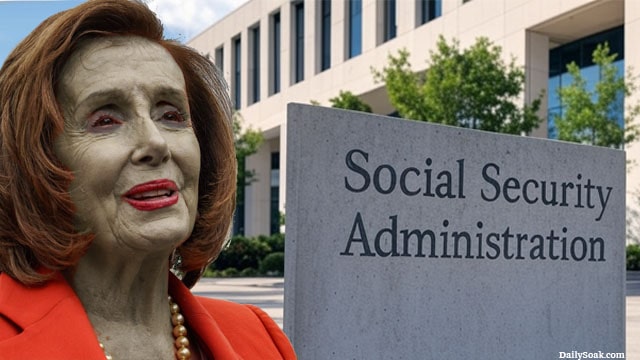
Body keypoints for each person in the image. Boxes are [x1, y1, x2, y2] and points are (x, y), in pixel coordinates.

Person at [0, 1, 296, 359]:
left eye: (171, 115)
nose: (155, 142)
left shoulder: (259, 336)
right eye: (106, 120)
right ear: (32, 161)